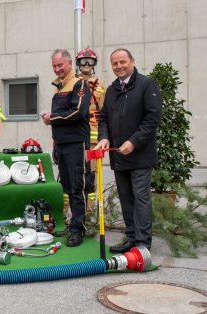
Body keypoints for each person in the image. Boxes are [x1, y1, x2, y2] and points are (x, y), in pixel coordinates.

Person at [95, 48, 163, 253]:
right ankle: (131, 238)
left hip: (140, 155)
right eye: (115, 63)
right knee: (125, 197)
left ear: (132, 61)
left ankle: (142, 243)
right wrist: (104, 137)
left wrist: (134, 141)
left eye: (122, 62)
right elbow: (104, 118)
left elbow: (153, 118)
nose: (119, 66)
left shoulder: (146, 84)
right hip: (119, 156)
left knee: (140, 197)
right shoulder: (112, 89)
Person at [40, 49, 92, 247]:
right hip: (62, 144)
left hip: (76, 144)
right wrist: (55, 142)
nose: (57, 69)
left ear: (70, 63)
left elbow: (78, 112)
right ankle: (72, 225)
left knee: (77, 187)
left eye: (60, 65)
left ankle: (78, 229)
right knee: (68, 187)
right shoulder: (59, 86)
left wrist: (51, 118)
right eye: (54, 66)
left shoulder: (79, 84)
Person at [76, 47, 106, 216]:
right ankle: (70, 215)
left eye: (90, 61)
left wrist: (104, 138)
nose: (86, 64)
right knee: (74, 176)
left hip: (94, 141)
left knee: (91, 178)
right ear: (78, 63)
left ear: (94, 63)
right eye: (83, 60)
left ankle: (89, 214)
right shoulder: (70, 82)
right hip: (75, 137)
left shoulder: (101, 87)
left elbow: (105, 115)